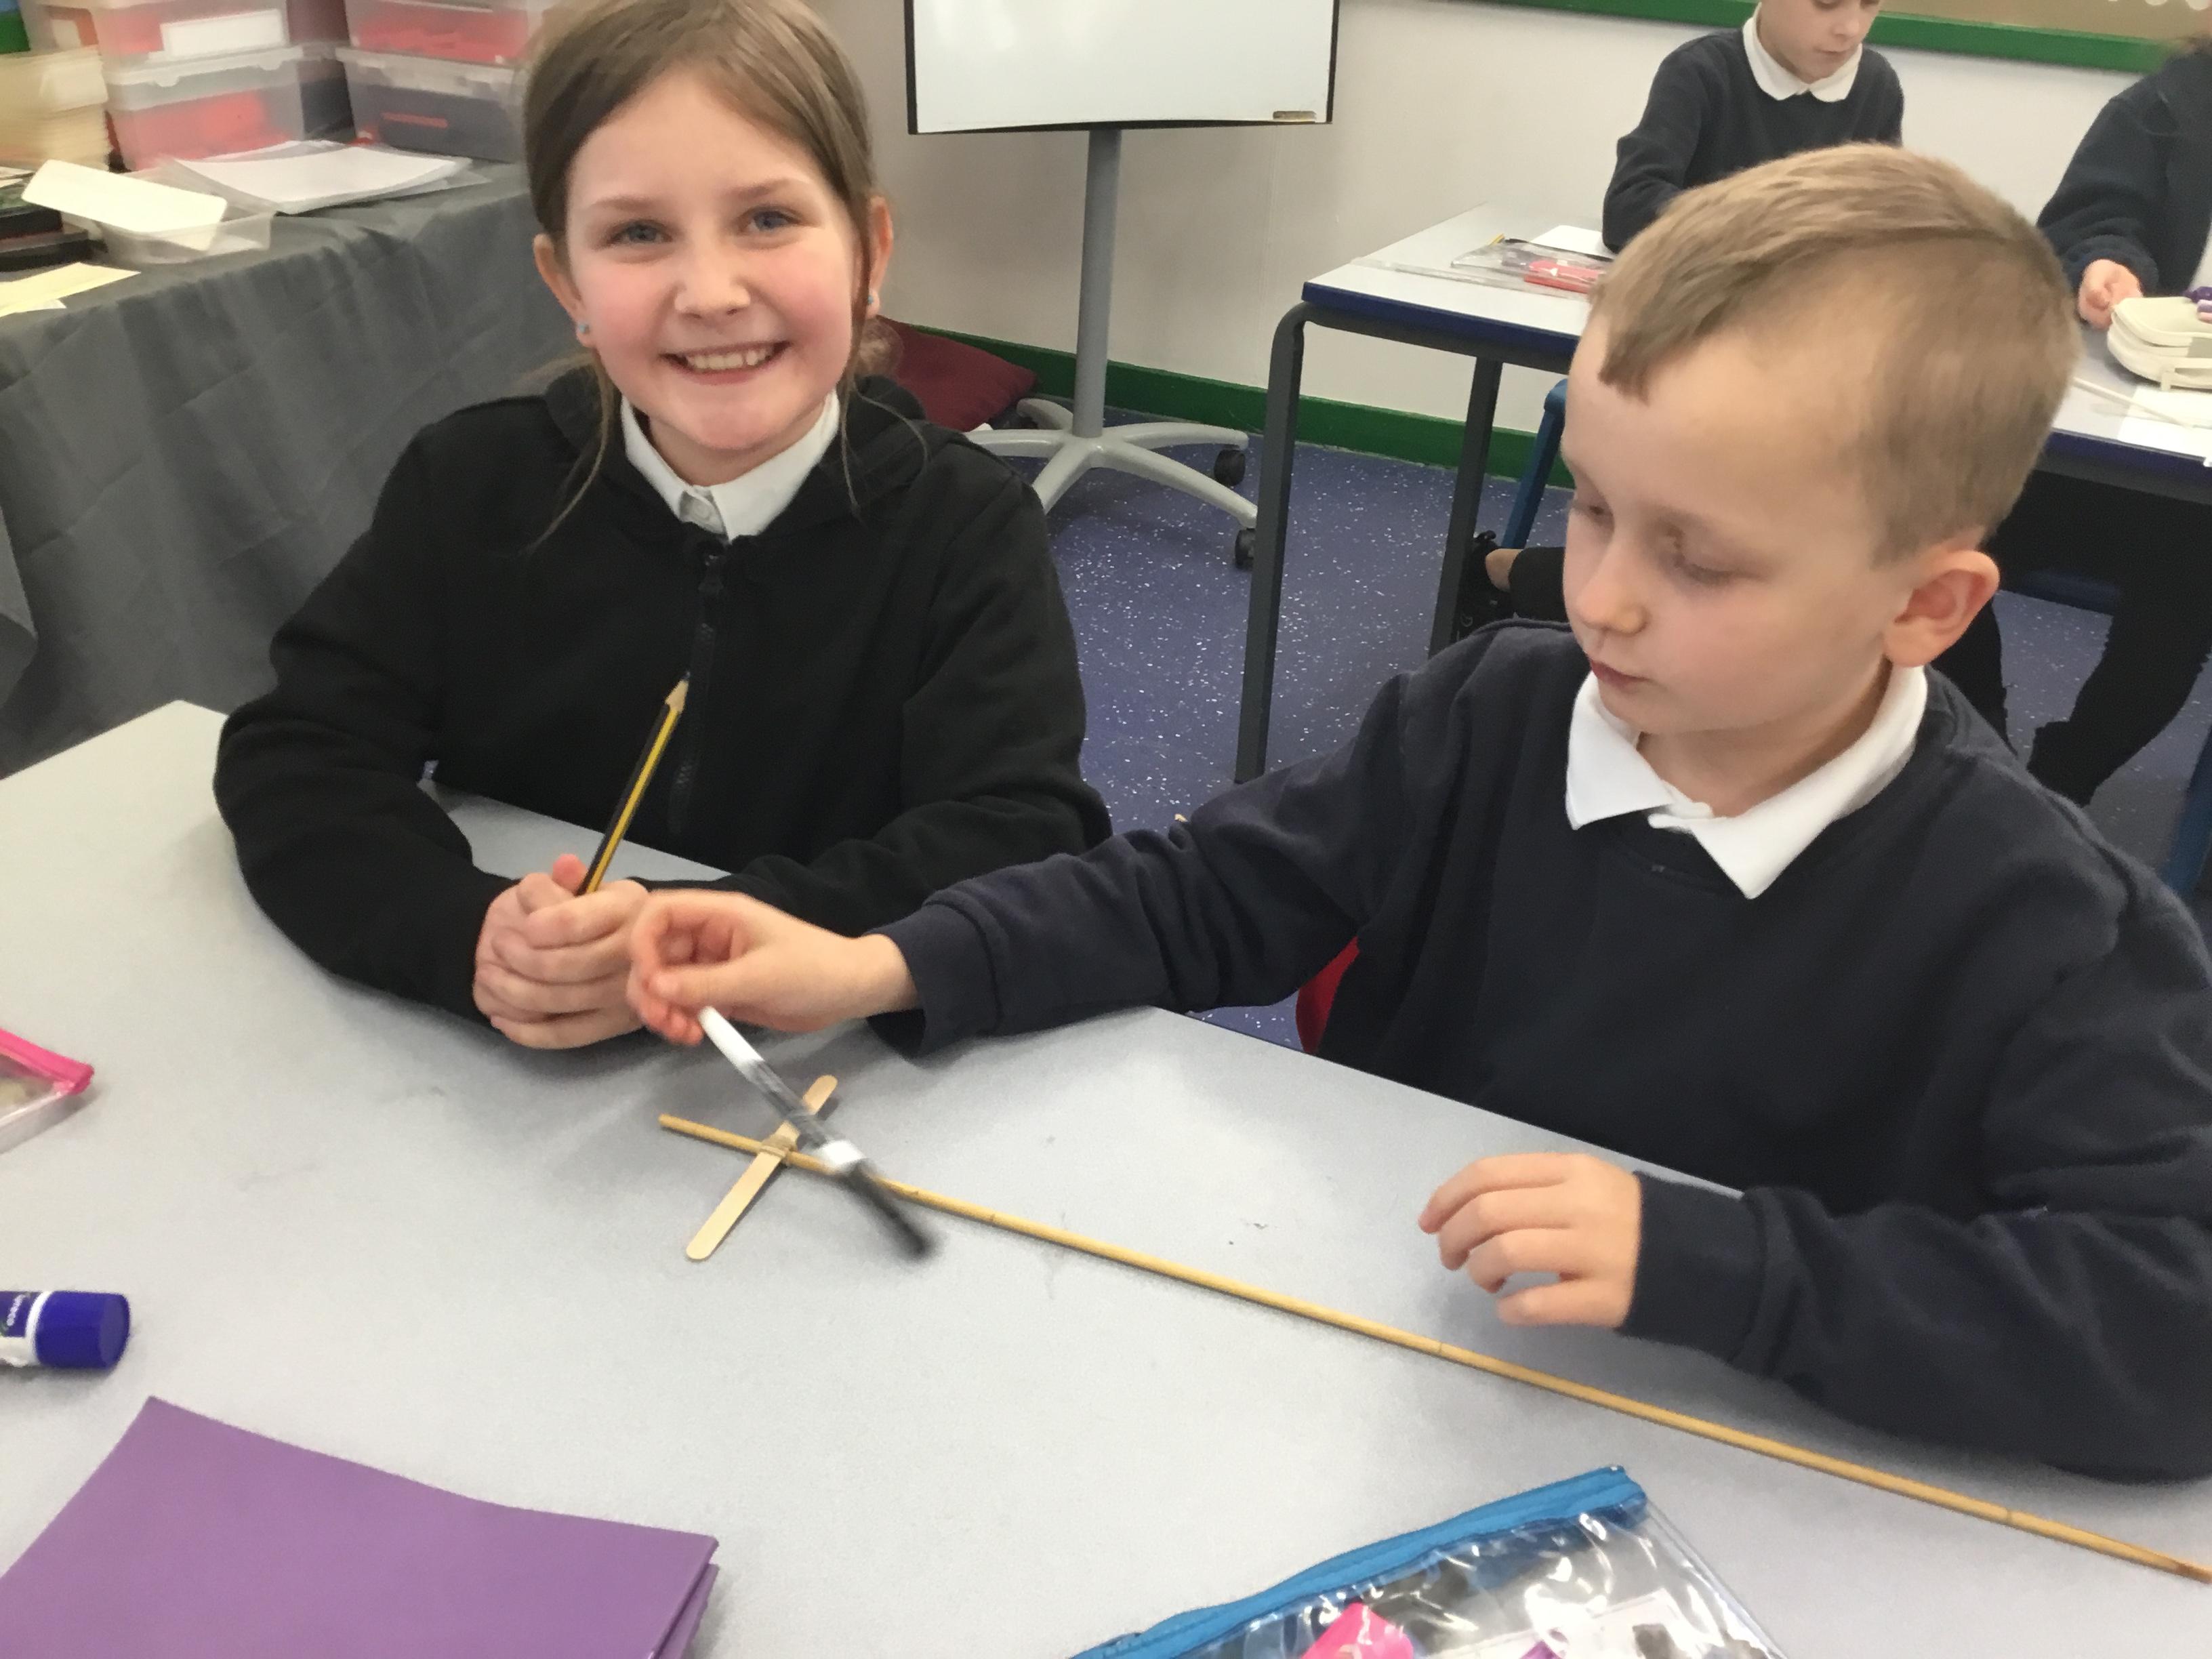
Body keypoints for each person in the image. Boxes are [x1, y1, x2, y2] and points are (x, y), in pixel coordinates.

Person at [625, 149, 2212, 1479]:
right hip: (1392, 1383)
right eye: (1595, 507)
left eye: (1697, 559)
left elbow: (2172, 1327)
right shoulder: (1494, 710)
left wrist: (1718, 1264)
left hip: (1756, 1471)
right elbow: (1193, 895)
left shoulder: (2055, 928)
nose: (1604, 596)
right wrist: (883, 961)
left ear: (1927, 606)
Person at [214, 0, 1107, 1049]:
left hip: (821, 1064)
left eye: (767, 218)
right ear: (567, 282)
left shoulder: (964, 526)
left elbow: (1019, 834)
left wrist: (701, 943)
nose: (712, 292)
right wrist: (469, 936)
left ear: (868, 253)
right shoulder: (469, 484)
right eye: (638, 233)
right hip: (491, 1089)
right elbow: (301, 751)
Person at [1931, 43, 2212, 802]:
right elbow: (2082, 224)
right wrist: (2105, 262)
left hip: (2196, 501)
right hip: (2106, 436)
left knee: (2186, 601)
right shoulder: (2161, 112)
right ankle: (1981, 745)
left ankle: (2064, 780)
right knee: (1935, 537)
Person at [1601, 0, 1902, 253]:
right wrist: (1768, 223)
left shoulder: (1878, 86)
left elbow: (1889, 223)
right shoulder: (1700, 71)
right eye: (1826, 3)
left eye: (1870, 3)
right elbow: (1627, 211)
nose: (1852, 29)